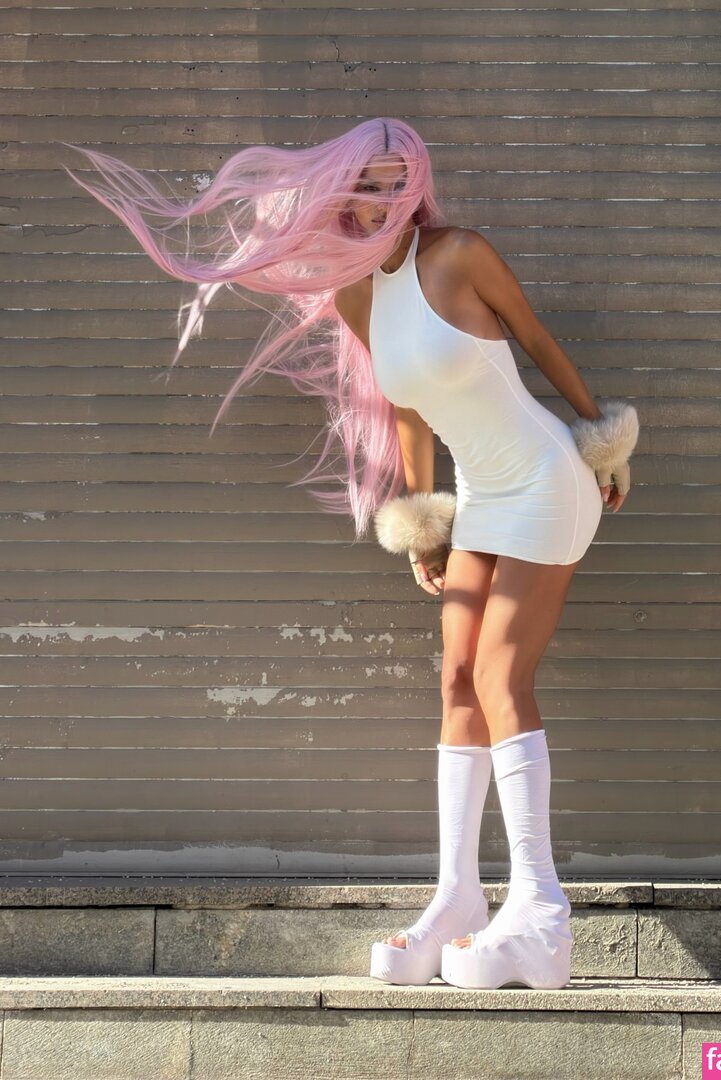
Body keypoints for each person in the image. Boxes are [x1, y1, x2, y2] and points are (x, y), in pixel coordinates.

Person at [62, 117, 638, 991]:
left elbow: (537, 340)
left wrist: (603, 440)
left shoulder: (460, 254)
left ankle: (541, 913)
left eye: (396, 182)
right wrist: (423, 519)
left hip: (546, 479)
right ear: (340, 190)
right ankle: (457, 898)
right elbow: (405, 409)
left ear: (417, 184)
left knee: (499, 678)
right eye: (366, 184)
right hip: (481, 496)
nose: (381, 200)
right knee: (455, 683)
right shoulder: (357, 297)